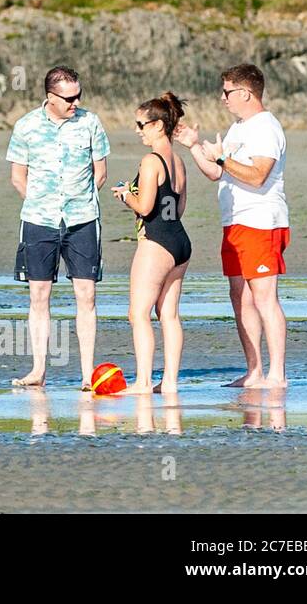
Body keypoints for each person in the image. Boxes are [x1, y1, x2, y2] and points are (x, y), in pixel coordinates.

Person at [176, 63, 289, 388]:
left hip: (262, 222)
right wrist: (195, 147)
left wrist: (223, 159)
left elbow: (257, 175)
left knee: (264, 296)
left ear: (245, 92)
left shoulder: (265, 127)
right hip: (235, 222)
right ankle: (254, 371)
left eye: (227, 91)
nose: (222, 97)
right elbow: (215, 173)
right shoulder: (238, 128)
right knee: (239, 296)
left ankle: (276, 374)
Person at [6, 65, 109, 388]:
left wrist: (81, 200)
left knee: (86, 294)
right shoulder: (26, 126)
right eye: (69, 97)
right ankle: (38, 370)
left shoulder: (90, 122)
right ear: (50, 97)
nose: (75, 102)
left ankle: (87, 374)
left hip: (82, 219)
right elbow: (17, 176)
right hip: (39, 220)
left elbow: (100, 172)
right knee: (39, 294)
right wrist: (42, 201)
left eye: (78, 95)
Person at [110, 93, 191, 395]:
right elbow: (178, 208)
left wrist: (124, 194)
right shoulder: (179, 162)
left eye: (141, 124)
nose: (137, 130)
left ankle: (143, 382)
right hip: (180, 241)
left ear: (158, 126)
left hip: (156, 242)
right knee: (168, 314)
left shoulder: (150, 161)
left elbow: (144, 207)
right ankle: (169, 382)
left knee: (138, 314)